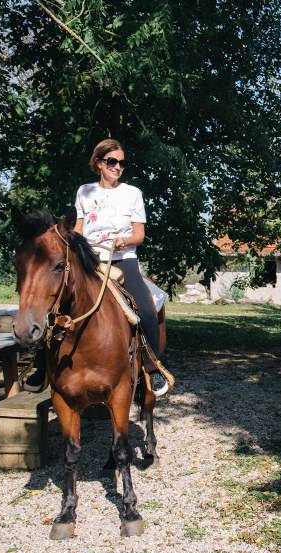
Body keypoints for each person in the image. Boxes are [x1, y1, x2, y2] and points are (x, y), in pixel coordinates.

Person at [23, 139, 169, 397]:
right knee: (55, 303)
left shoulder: (132, 193)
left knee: (146, 309)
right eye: (112, 161)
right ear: (99, 163)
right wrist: (70, 243)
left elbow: (140, 234)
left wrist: (124, 240)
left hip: (123, 259)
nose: (118, 167)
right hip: (89, 259)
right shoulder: (85, 191)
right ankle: (41, 366)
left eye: (122, 163)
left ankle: (152, 368)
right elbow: (78, 229)